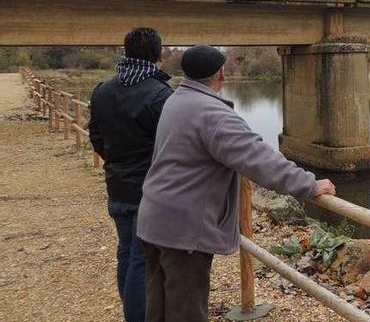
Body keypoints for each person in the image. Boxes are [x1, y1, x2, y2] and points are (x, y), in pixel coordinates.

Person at [137, 44, 335, 322]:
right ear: (220, 75)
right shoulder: (212, 114)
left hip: (155, 218)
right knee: (186, 310)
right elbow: (260, 160)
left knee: (158, 307)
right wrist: (309, 185)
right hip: (184, 229)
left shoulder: (176, 99)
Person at [89, 27, 174, 322]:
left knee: (126, 253)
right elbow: (174, 145)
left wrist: (116, 162)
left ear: (126, 52)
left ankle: (132, 310)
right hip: (150, 190)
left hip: (117, 186)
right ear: (158, 55)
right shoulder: (161, 96)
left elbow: (96, 138)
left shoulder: (103, 90)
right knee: (142, 259)